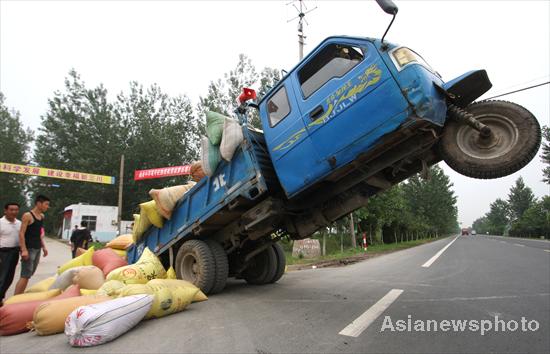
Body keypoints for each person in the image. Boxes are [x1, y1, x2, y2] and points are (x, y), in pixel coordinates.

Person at [13, 195, 50, 295]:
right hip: (29, 249)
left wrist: (44, 247)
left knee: (29, 274)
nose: (48, 207)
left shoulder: (42, 216)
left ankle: (19, 296)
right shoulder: (27, 215)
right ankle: (15, 299)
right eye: (46, 204)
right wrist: (24, 250)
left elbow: (39, 233)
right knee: (25, 275)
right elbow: (21, 233)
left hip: (37, 248)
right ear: (39, 203)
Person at [0, 202, 21, 305]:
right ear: (5, 211)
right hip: (3, 253)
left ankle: (1, 296)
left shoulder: (19, 223)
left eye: (16, 210)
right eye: (11, 210)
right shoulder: (1, 223)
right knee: (2, 277)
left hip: (15, 252)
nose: (14, 212)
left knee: (9, 277)